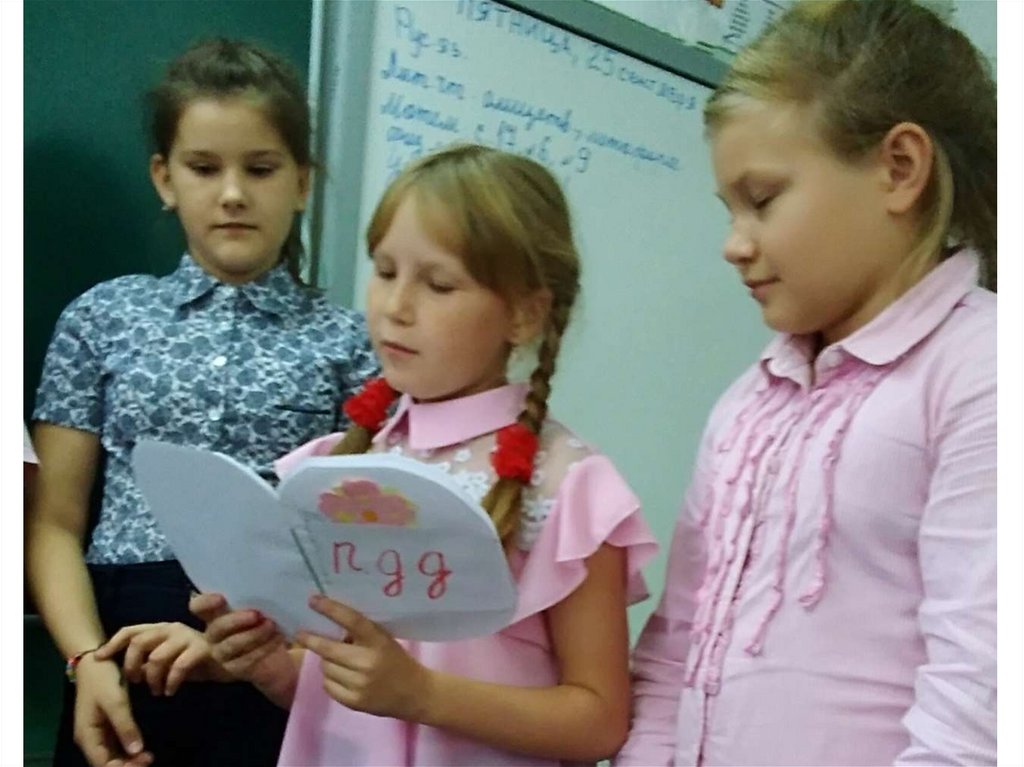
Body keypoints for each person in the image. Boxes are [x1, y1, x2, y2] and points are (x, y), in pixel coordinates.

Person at [185, 143, 660, 766]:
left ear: (524, 314)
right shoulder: (332, 468)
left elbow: (598, 721)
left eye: (438, 284)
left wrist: (423, 695)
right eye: (385, 272)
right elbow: (346, 699)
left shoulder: (567, 488)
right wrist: (271, 666)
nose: (396, 307)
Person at [615, 1, 996, 765]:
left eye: (762, 200)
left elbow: (980, 694)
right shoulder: (746, 405)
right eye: (729, 210)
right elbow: (670, 656)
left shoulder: (982, 371)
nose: (733, 244)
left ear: (900, 168)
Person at [25, 37, 379, 767]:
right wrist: (85, 661)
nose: (233, 194)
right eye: (204, 167)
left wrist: (271, 653)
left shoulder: (352, 344)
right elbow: (54, 521)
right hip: (118, 651)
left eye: (262, 168)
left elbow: (359, 548)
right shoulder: (103, 317)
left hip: (277, 659)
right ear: (164, 177)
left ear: (302, 182)